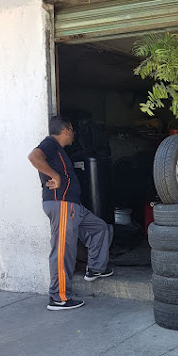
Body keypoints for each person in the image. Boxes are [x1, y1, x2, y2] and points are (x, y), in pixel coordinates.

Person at [28, 115, 113, 311]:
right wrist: (55, 175)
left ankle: (95, 268)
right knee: (62, 251)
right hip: (62, 204)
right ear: (66, 130)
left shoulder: (60, 151)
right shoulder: (49, 144)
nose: (74, 135)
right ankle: (59, 298)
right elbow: (34, 156)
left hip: (73, 206)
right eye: (72, 131)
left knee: (99, 228)